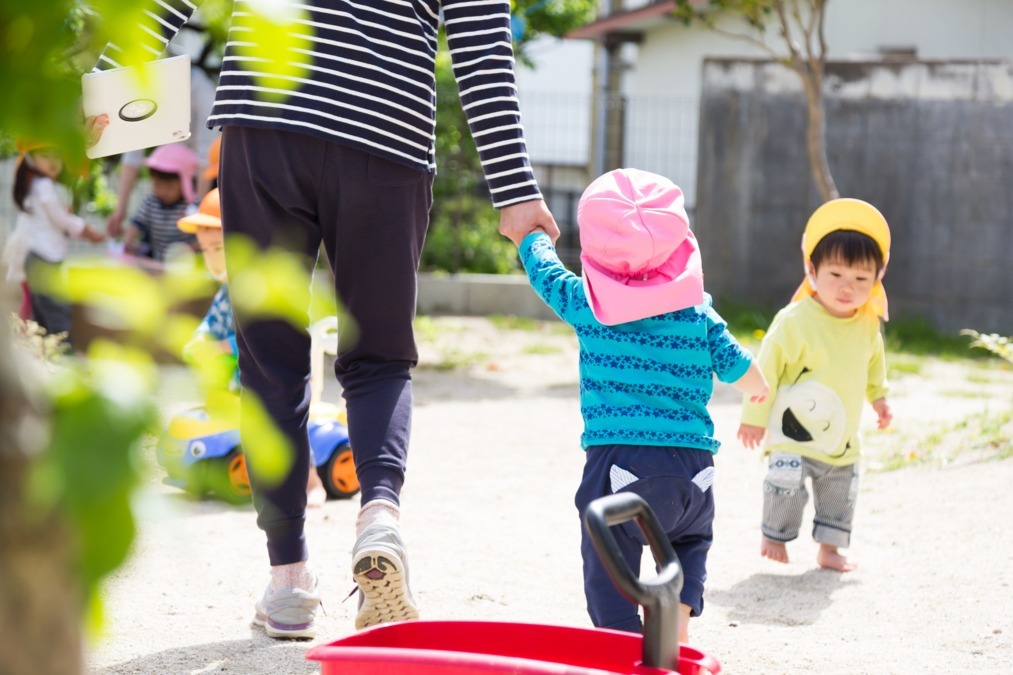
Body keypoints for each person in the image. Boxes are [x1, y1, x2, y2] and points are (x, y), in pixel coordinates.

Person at [93, 0, 558, 638]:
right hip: (385, 124)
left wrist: (102, 88)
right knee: (380, 355)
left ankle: (288, 582)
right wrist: (514, 189)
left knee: (267, 357)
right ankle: (379, 518)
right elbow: (481, 33)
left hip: (266, 118)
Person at [506, 168, 769, 643]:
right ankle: (676, 627)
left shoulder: (588, 303)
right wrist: (759, 388)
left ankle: (624, 641)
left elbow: (546, 275)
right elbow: (739, 367)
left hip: (619, 467)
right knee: (689, 542)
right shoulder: (698, 313)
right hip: (692, 471)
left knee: (609, 561)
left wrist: (532, 238)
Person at [737, 198, 893, 573]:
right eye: (836, 274)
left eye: (860, 279)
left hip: (840, 437)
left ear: (876, 279)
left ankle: (829, 548)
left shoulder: (868, 323)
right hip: (791, 432)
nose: (847, 287)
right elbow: (767, 370)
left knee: (841, 491)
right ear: (812, 270)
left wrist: (880, 398)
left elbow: (874, 364)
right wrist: (753, 416)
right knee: (785, 481)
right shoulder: (794, 321)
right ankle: (774, 534)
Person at [177, 188, 327, 508]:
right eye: (205, 250)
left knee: (286, 414)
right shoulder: (225, 292)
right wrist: (200, 340)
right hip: (238, 380)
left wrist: (222, 345)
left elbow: (267, 334)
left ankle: (311, 480)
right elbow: (212, 324)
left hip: (276, 375)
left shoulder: (258, 288)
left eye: (217, 248)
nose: (211, 258)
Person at [3, 141, 105, 347]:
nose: (53, 162)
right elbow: (59, 218)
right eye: (46, 156)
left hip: (39, 258)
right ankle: (66, 355)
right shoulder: (44, 185)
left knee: (42, 317)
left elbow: (56, 219)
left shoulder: (37, 186)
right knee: (57, 313)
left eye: (57, 156)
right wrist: (85, 229)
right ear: (31, 159)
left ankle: (47, 355)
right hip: (44, 260)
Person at [106, 59, 218, 238]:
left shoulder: (198, 86)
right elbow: (132, 151)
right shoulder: (141, 88)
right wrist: (121, 208)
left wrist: (197, 208)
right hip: (170, 166)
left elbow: (206, 154)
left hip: (201, 177)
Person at [122, 143, 200, 261]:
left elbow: (206, 239)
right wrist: (129, 241)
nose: (162, 191)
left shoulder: (193, 207)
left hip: (188, 267)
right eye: (157, 185)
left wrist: (190, 249)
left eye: (169, 186)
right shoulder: (150, 203)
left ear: (184, 183)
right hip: (159, 264)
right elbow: (136, 224)